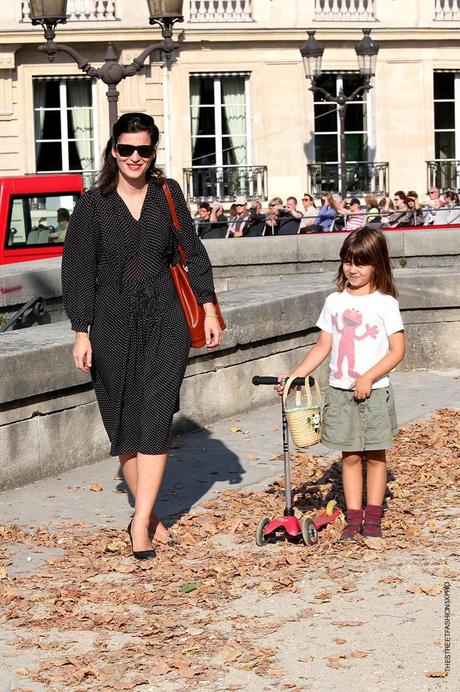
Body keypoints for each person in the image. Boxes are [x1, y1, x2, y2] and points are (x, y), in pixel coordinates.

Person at [62, 112, 222, 561]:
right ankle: (149, 515)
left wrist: (208, 307)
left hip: (166, 320)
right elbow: (76, 273)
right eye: (127, 149)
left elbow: (194, 254)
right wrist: (81, 330)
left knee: (153, 420)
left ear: (154, 153)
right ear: (113, 150)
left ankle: (140, 525)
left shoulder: (168, 195)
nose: (135, 157)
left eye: (144, 150)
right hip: (110, 323)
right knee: (123, 425)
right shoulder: (93, 206)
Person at [275, 227, 405, 541]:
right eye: (347, 261)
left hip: (374, 392)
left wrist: (369, 377)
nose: (352, 268)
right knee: (350, 456)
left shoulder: (385, 303)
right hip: (340, 391)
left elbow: (397, 350)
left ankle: (372, 518)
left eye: (361, 263)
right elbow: (322, 346)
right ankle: (353, 518)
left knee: (375, 456)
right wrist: (296, 375)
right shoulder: (334, 301)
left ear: (378, 265)